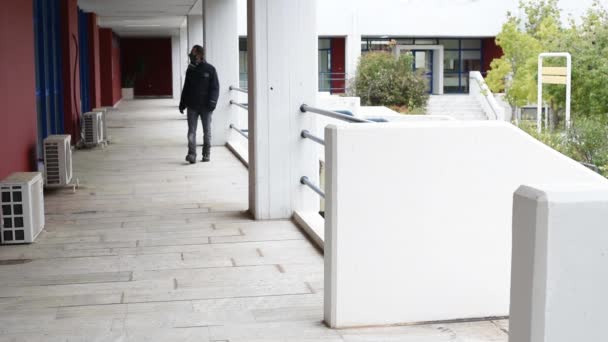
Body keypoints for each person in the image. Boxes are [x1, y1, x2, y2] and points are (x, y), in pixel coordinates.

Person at [179, 45, 220, 163]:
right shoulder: (190, 69)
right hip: (192, 106)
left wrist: (212, 103)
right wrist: (182, 103)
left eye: (193, 53)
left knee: (207, 131)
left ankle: (206, 153)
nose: (190, 55)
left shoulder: (210, 69)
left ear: (200, 55)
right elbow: (186, 88)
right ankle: (192, 154)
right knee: (191, 131)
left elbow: (215, 88)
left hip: (206, 107)